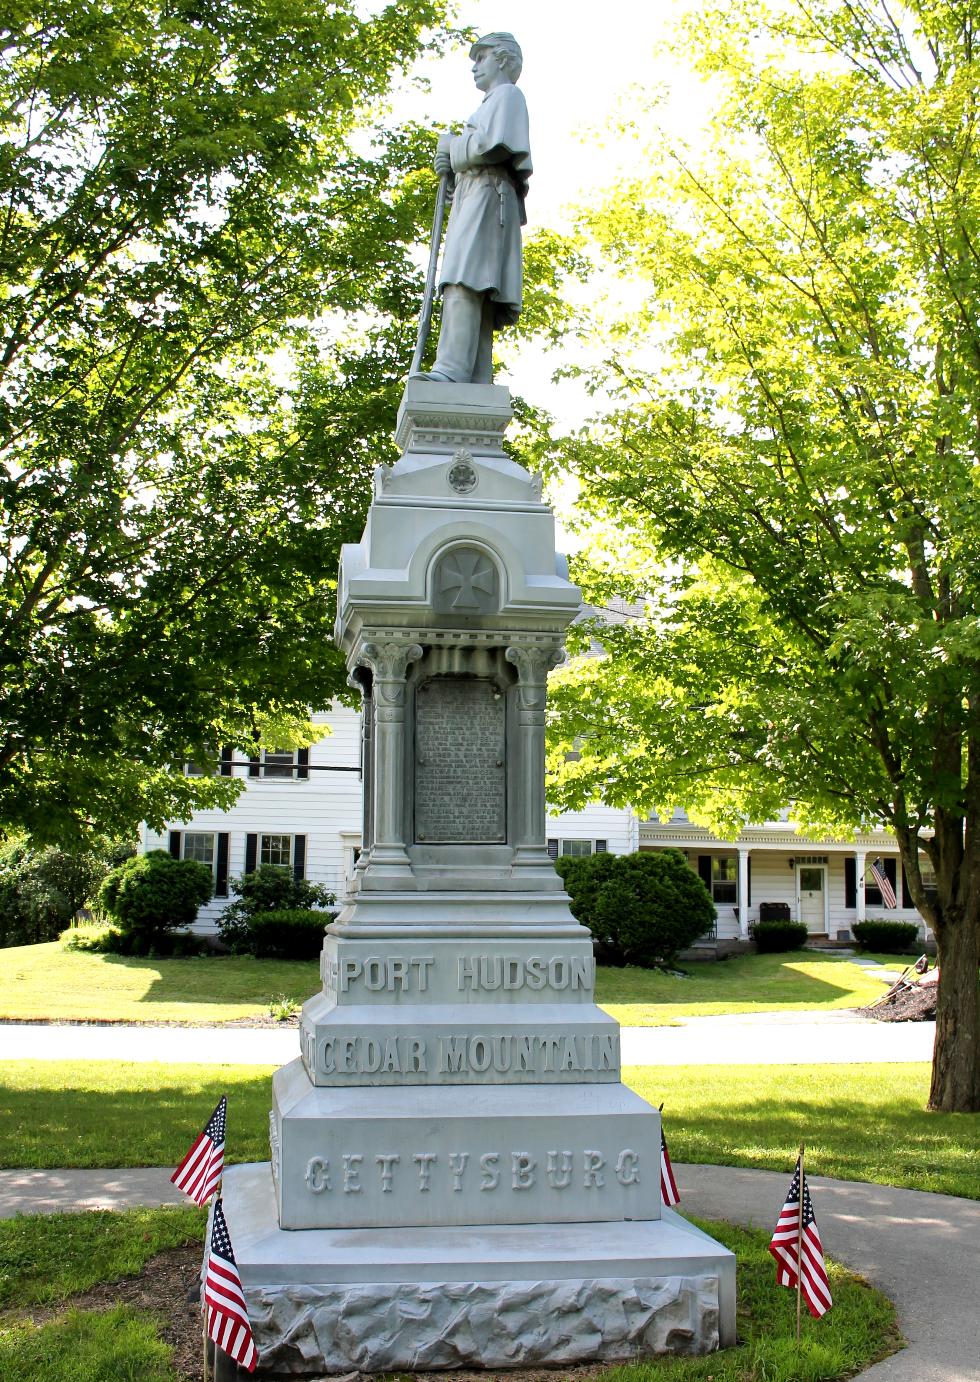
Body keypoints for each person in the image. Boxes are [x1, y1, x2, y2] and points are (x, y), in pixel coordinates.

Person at [413, 32, 531, 384]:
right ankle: (474, 375)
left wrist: (452, 147)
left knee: (464, 279)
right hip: (475, 193)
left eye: (482, 57)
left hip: (487, 195)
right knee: (472, 282)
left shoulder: (508, 96)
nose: (475, 67)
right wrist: (451, 174)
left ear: (504, 60)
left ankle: (452, 370)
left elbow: (494, 147)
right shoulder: (491, 103)